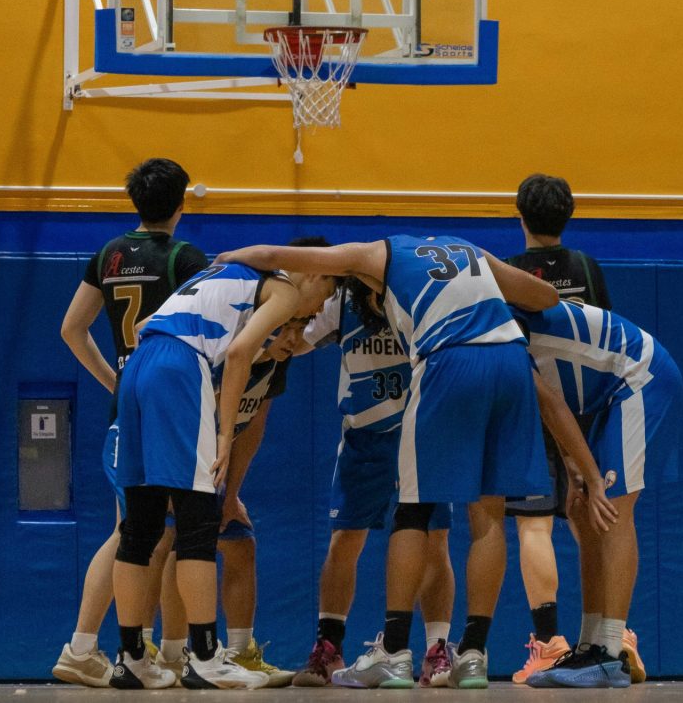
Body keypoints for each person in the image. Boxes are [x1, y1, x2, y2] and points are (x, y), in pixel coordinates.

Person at [216, 235, 568, 688]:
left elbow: (279, 256)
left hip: (437, 391)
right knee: (483, 516)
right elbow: (545, 296)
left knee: (422, 523)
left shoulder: (386, 261)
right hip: (477, 379)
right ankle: (459, 652)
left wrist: (231, 256)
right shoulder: (462, 256)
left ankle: (413, 649)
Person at [108, 250, 338, 689]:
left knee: (140, 526)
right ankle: (206, 658)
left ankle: (131, 658)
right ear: (313, 273)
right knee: (198, 522)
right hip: (180, 368)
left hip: (138, 366)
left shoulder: (225, 273)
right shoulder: (284, 290)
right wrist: (226, 437)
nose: (315, 313)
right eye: (324, 295)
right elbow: (237, 355)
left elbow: (142, 327)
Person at [52, 158, 207, 688]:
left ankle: (154, 650)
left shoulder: (109, 254)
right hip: (165, 405)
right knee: (133, 535)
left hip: (130, 402)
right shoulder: (186, 259)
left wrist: (113, 380)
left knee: (144, 534)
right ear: (182, 203)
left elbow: (73, 328)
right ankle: (85, 646)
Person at [291, 276, 455, 688]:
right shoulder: (341, 302)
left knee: (435, 541)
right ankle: (329, 646)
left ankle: (437, 649)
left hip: (420, 433)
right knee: (345, 539)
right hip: (364, 438)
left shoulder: (415, 297)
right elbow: (298, 343)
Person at [515, 299, 681, 689]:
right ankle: (590, 644)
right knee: (581, 511)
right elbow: (553, 409)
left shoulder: (497, 334)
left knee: (613, 509)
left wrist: (590, 476)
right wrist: (575, 469)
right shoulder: (496, 326)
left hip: (639, 377)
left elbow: (553, 406)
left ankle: (611, 651)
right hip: (606, 393)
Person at [155, 318, 309, 688]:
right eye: (284, 328)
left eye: (300, 328)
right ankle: (171, 654)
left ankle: (240, 651)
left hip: (217, 462)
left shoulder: (277, 360)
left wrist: (231, 494)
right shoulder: (220, 356)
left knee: (239, 544)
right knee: (181, 545)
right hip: (180, 449)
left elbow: (253, 426)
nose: (293, 339)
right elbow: (184, 415)